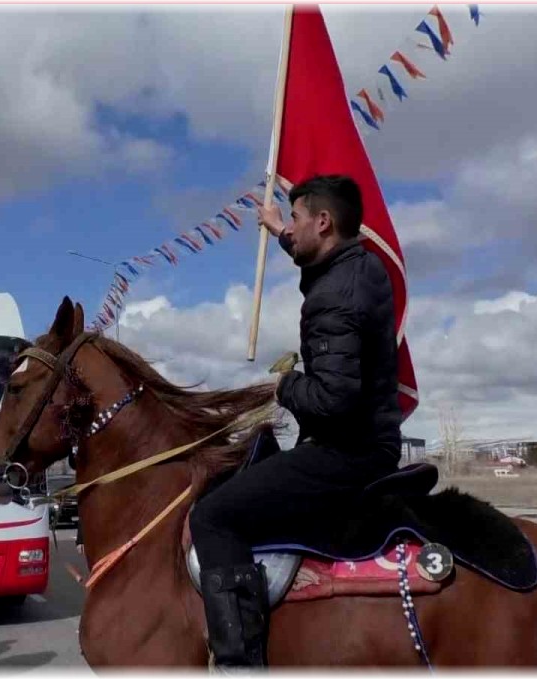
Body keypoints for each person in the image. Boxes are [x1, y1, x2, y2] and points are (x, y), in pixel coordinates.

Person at [188, 175, 403, 669]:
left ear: (324, 223)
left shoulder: (335, 295)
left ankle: (240, 665)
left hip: (347, 451)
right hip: (367, 441)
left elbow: (332, 400)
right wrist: (281, 230)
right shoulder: (356, 266)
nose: (294, 226)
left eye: (299, 218)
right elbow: (313, 258)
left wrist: (282, 385)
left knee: (213, 516)